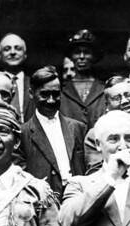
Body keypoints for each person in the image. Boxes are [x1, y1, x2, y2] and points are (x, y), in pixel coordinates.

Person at [15, 66, 87, 196]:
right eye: (44, 94)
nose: (51, 100)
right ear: (31, 94)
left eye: (55, 94)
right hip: (42, 204)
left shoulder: (78, 128)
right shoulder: (22, 134)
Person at [83, 76, 130, 173]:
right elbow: (96, 175)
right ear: (107, 105)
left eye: (128, 95)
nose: (125, 101)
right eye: (116, 98)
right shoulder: (96, 134)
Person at [60, 29, 106, 127]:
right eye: (77, 52)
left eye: (86, 52)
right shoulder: (61, 89)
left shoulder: (104, 89)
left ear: (94, 56)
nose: (81, 56)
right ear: (71, 56)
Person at [0, 33, 34, 122]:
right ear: (0, 56)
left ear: (25, 55)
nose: (13, 52)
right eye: (7, 49)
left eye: (18, 48)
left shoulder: (35, 84)